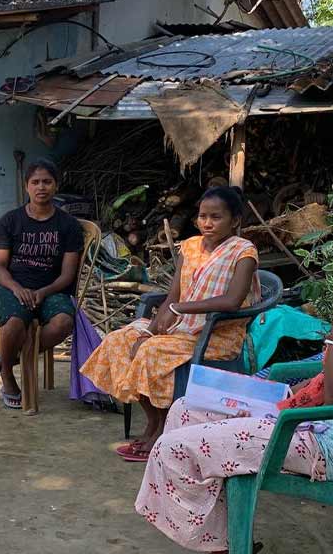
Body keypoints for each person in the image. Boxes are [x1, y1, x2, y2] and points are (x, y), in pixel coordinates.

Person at [135, 207, 333, 554]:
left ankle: (225, 547)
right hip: (321, 423)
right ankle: (224, 546)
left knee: (174, 448)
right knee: (185, 409)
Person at [81, 186, 260, 461]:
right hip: (182, 327)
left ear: (235, 220)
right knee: (120, 341)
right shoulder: (189, 247)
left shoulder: (243, 252)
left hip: (216, 333)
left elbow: (233, 301)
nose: (207, 223)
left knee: (150, 352)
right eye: (202, 216)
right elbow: (173, 296)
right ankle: (153, 422)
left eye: (216, 217)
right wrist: (150, 330)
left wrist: (179, 309)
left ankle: (163, 429)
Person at [0, 159, 83, 409]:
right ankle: (7, 375)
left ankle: (7, 359)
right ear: (27, 187)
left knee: (64, 322)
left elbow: (68, 275)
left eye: (47, 181)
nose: (41, 187)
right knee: (14, 321)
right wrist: (17, 288)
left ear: (56, 186)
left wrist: (43, 291)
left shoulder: (68, 226)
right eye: (35, 182)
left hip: (52, 289)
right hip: (8, 288)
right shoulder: (10, 221)